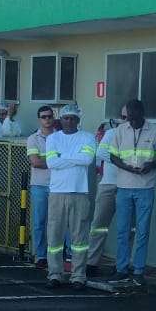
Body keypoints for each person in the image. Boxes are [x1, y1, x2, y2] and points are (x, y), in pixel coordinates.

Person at [105, 99, 156, 285]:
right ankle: (121, 268)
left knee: (142, 230)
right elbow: (112, 156)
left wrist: (151, 165)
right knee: (122, 230)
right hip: (124, 186)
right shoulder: (120, 130)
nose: (131, 121)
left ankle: (139, 270)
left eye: (134, 118)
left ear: (141, 114)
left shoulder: (154, 131)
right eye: (128, 117)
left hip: (145, 187)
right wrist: (126, 167)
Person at [44, 103, 97, 288]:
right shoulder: (52, 138)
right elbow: (51, 163)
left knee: (79, 238)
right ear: (61, 120)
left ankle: (78, 276)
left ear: (78, 120)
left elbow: (87, 159)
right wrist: (74, 157)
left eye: (73, 118)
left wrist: (63, 157)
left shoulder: (88, 137)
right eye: (66, 118)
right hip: (57, 192)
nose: (69, 121)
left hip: (79, 192)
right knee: (54, 237)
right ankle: (54, 274)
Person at [86, 108, 125, 277]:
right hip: (108, 184)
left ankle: (122, 265)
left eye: (128, 117)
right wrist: (123, 163)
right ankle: (91, 262)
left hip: (128, 186)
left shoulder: (138, 136)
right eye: (123, 117)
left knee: (127, 228)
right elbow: (101, 152)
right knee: (99, 225)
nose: (126, 120)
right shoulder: (111, 134)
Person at [24, 104, 57, 268]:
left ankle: (56, 255)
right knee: (39, 222)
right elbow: (35, 162)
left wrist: (50, 161)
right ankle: (40, 255)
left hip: (58, 185)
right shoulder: (33, 139)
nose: (47, 119)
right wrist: (57, 162)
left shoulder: (60, 137)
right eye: (44, 117)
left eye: (50, 116)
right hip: (39, 185)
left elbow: (42, 161)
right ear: (39, 119)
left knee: (57, 222)